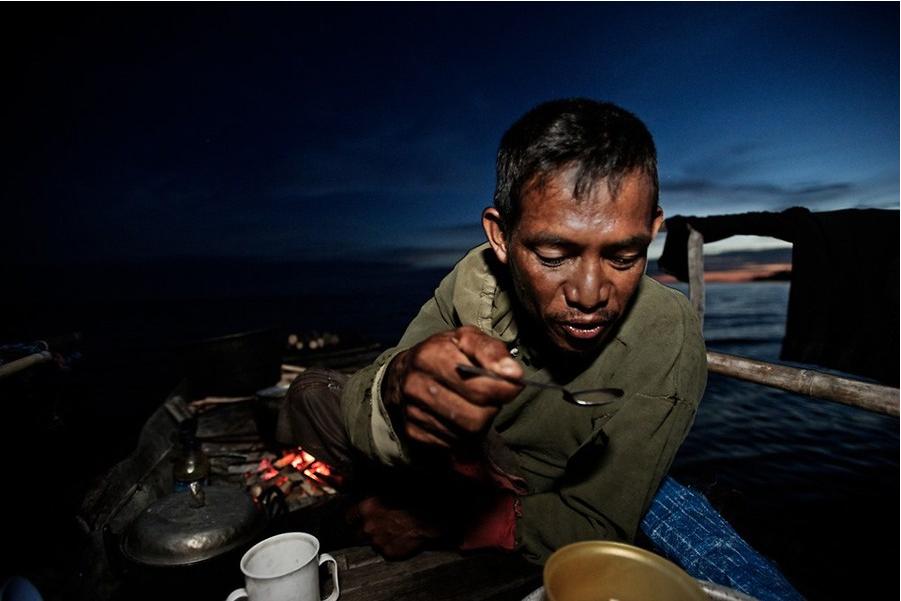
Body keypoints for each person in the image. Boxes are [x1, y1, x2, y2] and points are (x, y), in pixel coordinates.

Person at [277, 98, 707, 564]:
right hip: (445, 459)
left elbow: (594, 522)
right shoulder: (473, 280)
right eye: (553, 256)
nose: (589, 294)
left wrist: (431, 523)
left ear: (652, 229)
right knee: (310, 391)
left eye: (623, 257)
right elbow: (376, 394)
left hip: (515, 491)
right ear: (500, 237)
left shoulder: (667, 334)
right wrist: (400, 384)